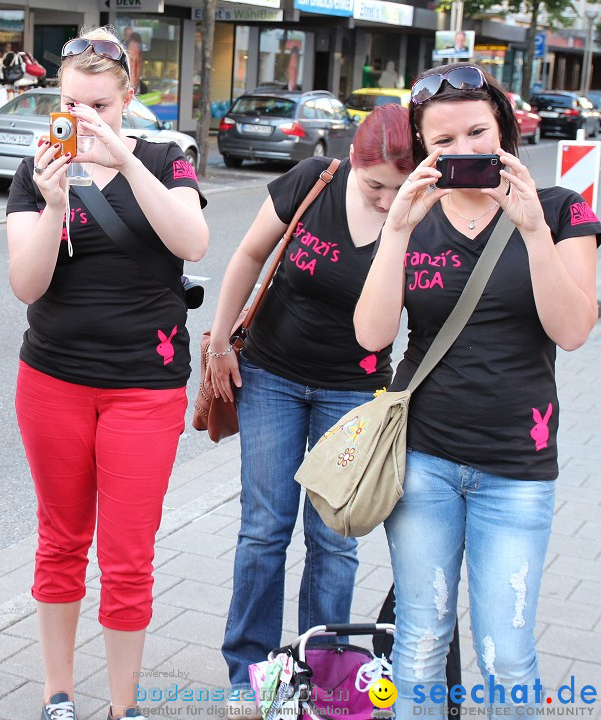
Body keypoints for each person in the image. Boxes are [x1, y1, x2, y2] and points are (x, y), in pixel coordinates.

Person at [354, 64, 599, 713]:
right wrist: (399, 229)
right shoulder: (414, 219)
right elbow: (372, 337)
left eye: (476, 132)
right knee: (419, 642)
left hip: (516, 470)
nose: (463, 152)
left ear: (504, 129)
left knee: (507, 654)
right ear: (423, 152)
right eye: (442, 144)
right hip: (422, 462)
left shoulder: (559, 209)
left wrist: (532, 231)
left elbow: (573, 330)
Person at [6, 27, 208, 720]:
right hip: (54, 382)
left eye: (98, 103)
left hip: (144, 389)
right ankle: (57, 692)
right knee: (61, 539)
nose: (82, 116)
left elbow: (192, 240)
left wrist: (121, 157)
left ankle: (126, 706)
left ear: (128, 97)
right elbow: (25, 287)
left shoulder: (164, 157)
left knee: (128, 556)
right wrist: (55, 202)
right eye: (70, 102)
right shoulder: (40, 169)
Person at [206, 104, 412, 713]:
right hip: (271, 374)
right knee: (264, 528)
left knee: (335, 539)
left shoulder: (417, 216)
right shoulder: (312, 181)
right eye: (375, 186)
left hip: (355, 393)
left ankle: (324, 673)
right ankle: (251, 673)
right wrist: (219, 343)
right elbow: (247, 257)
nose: (383, 200)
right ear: (352, 162)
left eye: (396, 190)